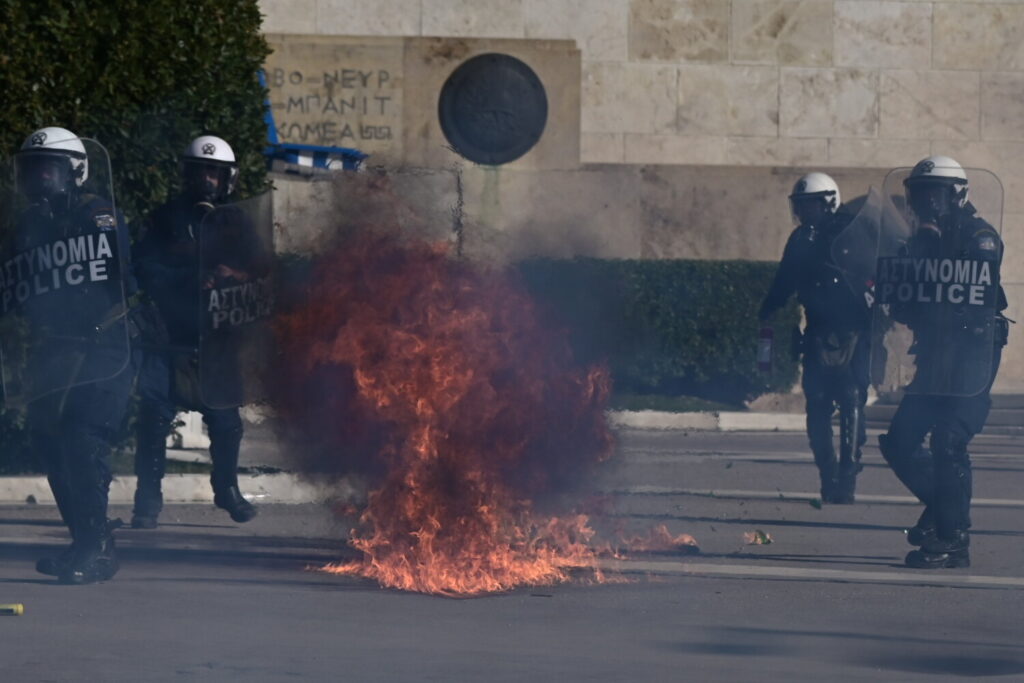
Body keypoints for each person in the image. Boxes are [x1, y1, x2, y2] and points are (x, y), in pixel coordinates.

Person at [5, 127, 137, 584]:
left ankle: (95, 547)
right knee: (51, 442)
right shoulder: (28, 225)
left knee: (83, 438)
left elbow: (120, 273)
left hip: (106, 346)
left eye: (49, 168)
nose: (40, 178)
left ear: (75, 170)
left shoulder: (99, 215)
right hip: (56, 348)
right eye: (32, 169)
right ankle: (86, 541)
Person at [876, 156, 1008, 569]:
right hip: (934, 354)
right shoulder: (918, 239)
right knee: (900, 441)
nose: (928, 203)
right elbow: (905, 297)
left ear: (958, 195)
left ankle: (954, 539)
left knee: (950, 440)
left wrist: (932, 248)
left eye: (936, 194)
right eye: (921, 194)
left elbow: (973, 280)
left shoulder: (978, 235)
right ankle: (943, 508)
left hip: (972, 352)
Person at [131, 135, 262, 528]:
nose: (207, 179)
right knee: (153, 419)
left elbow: (261, 271)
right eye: (200, 170)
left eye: (214, 172)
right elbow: (145, 269)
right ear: (186, 174)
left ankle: (227, 490)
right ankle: (147, 503)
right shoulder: (164, 218)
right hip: (169, 336)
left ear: (228, 179)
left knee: (226, 423)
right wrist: (192, 277)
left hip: (218, 339)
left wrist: (234, 276)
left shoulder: (240, 224)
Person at [759, 172, 871, 504]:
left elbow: (873, 275)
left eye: (812, 205)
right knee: (818, 405)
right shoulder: (799, 240)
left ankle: (848, 477)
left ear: (830, 203)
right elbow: (785, 280)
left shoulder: (852, 234)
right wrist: (769, 307)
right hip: (818, 330)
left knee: (852, 400)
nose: (805, 212)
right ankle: (828, 474)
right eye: (801, 206)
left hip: (853, 330)